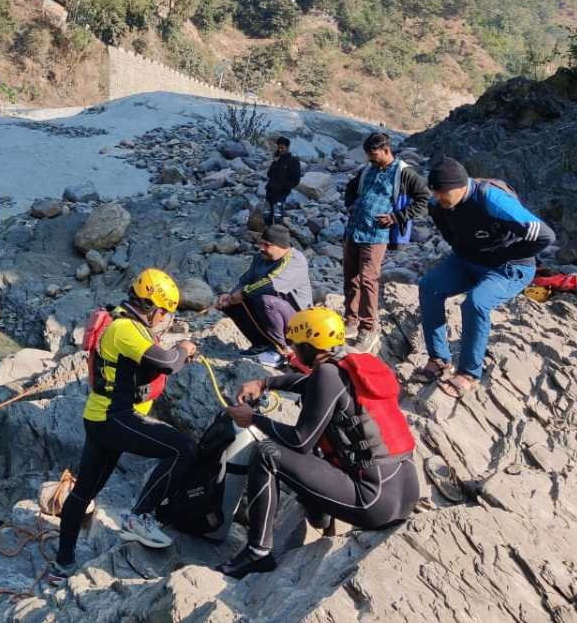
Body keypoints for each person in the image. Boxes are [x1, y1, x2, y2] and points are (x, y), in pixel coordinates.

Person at [215, 307, 419, 578]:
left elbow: (300, 441)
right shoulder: (349, 363)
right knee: (323, 451)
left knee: (268, 454)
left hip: (373, 500)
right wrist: (265, 383)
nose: (294, 351)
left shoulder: (327, 374)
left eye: (297, 345)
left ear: (310, 347)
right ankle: (322, 516)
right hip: (403, 488)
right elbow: (311, 384)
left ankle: (257, 553)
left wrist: (253, 419)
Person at [47, 269, 199, 585]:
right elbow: (169, 361)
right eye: (165, 312)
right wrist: (185, 349)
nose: (164, 319)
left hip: (102, 418)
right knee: (183, 449)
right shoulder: (125, 330)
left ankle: (63, 564)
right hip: (117, 419)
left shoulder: (126, 324)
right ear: (155, 308)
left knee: (84, 492)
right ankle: (139, 516)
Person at [415, 157, 555, 398]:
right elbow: (451, 235)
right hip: (469, 261)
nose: (437, 198)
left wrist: (505, 255)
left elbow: (545, 236)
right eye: (434, 192)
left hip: (511, 266)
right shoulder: (438, 205)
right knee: (429, 287)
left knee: (476, 303)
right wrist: (467, 252)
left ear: (459, 186)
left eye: (441, 193)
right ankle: (439, 360)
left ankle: (468, 374)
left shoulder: (491, 199)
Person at [342, 133, 430, 353]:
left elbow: (423, 198)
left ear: (386, 150)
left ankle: (368, 328)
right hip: (354, 230)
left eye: (374, 156)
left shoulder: (404, 173)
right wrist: (350, 204)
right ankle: (350, 321)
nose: (371, 160)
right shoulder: (368, 170)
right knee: (350, 278)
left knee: (368, 280)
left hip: (376, 235)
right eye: (369, 157)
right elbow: (351, 188)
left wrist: (396, 217)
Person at [214, 225, 312, 368]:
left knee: (267, 301)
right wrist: (229, 296)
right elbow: (245, 280)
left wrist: (242, 293)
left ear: (282, 246)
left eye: (267, 245)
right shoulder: (261, 258)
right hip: (270, 312)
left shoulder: (295, 260)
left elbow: (271, 284)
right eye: (261, 243)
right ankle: (261, 344)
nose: (261, 248)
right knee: (231, 304)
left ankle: (282, 350)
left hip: (297, 319)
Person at [266, 137, 302, 226]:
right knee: (268, 214)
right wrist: (275, 161)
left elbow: (296, 180)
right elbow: (269, 174)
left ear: (287, 147)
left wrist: (284, 187)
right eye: (279, 147)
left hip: (281, 193)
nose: (280, 150)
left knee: (277, 215)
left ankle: (277, 235)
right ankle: (269, 233)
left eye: (282, 148)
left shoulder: (293, 161)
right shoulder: (277, 160)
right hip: (270, 191)